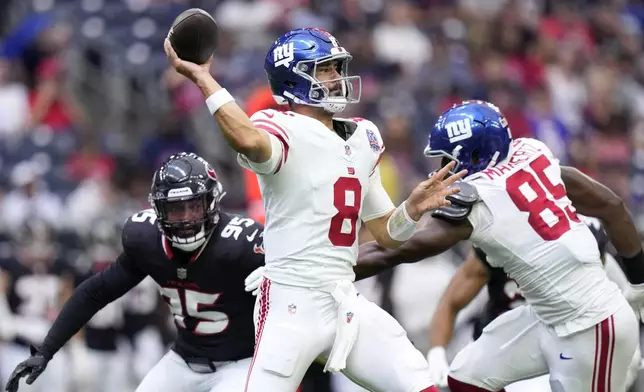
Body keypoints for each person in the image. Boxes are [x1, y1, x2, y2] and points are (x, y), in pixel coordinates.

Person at [164, 27, 467, 392]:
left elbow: (388, 234)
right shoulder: (278, 126)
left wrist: (412, 209)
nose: (338, 78)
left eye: (338, 68)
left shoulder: (363, 137)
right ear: (296, 76)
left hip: (345, 299)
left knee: (421, 385)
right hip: (291, 302)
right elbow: (245, 138)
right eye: (326, 69)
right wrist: (203, 78)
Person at [354, 100, 644, 392]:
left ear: (474, 156)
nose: (439, 170)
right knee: (467, 376)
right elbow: (612, 205)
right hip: (547, 315)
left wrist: (330, 265)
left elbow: (394, 250)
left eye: (446, 160)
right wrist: (640, 282)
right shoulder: (532, 153)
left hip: (592, 327)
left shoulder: (479, 202)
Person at [5, 152, 266, 392]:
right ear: (158, 209)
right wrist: (46, 350)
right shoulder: (146, 239)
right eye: (175, 209)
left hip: (240, 363)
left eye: (194, 206)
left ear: (211, 202)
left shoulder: (242, 242)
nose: (186, 219)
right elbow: (95, 293)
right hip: (183, 360)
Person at [426, 215, 642, 391]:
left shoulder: (586, 239)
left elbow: (622, 305)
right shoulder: (499, 238)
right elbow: (451, 302)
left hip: (572, 340)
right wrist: (436, 352)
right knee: (466, 373)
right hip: (512, 344)